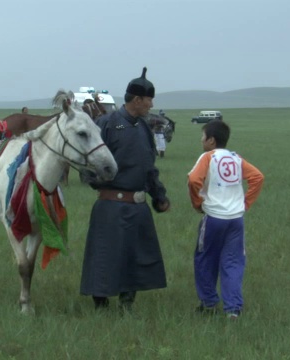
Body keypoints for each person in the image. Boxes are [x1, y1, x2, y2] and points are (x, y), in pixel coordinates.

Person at [80, 67, 170, 312]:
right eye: (149, 100)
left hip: (138, 206)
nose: (151, 105)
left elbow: (149, 168)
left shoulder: (144, 129)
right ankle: (100, 304)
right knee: (105, 255)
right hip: (110, 206)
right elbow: (87, 165)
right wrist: (105, 185)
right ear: (137, 100)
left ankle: (127, 303)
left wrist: (159, 196)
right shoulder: (106, 124)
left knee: (135, 256)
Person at [187, 120, 264, 320]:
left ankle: (209, 303)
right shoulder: (235, 158)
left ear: (211, 140)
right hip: (236, 219)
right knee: (233, 262)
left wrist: (198, 203)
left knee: (205, 259)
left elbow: (194, 179)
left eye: (203, 137)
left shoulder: (207, 157)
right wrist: (245, 204)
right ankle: (233, 309)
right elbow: (258, 177)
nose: (201, 141)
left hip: (213, 217)